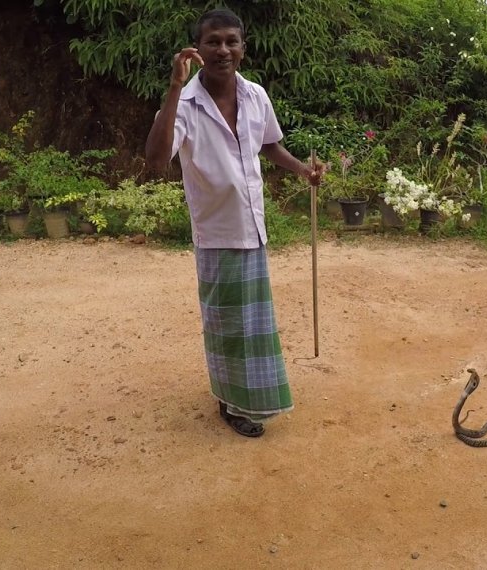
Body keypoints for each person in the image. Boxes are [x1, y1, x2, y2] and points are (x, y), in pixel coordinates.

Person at [145, 8, 322, 438]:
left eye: (231, 41)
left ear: (243, 47)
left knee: (255, 324)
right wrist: (173, 88)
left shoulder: (256, 95)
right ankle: (231, 401)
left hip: (252, 227)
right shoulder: (184, 104)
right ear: (197, 50)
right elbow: (154, 162)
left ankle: (248, 396)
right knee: (225, 324)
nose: (223, 50)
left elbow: (270, 146)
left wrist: (303, 170)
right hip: (216, 231)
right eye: (213, 42)